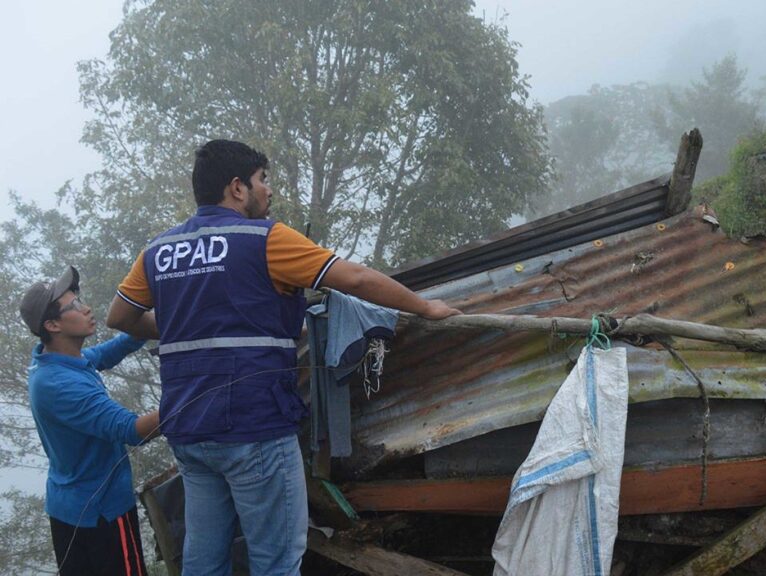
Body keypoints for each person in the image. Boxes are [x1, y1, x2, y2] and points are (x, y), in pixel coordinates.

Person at [107, 139, 460, 575]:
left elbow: (120, 315)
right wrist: (427, 308)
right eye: (263, 180)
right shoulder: (264, 239)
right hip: (253, 428)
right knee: (276, 560)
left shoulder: (159, 251)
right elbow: (355, 277)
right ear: (238, 188)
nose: (269, 191)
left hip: (188, 430)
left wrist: (184, 326)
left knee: (204, 557)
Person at [20, 265, 160, 576]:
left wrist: (145, 317)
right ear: (53, 324)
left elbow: (108, 353)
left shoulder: (55, 360)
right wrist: (194, 398)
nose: (86, 308)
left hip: (72, 507)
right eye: (74, 306)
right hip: (101, 512)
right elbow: (131, 430)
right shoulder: (60, 385)